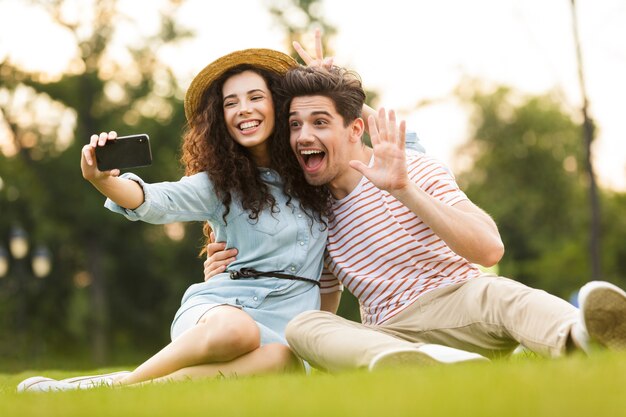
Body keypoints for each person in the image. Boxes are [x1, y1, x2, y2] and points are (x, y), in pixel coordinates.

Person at [206, 64, 626, 372]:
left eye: (319, 122)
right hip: (388, 334)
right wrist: (226, 276)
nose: (303, 136)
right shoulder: (312, 212)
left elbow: (488, 247)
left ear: (355, 130)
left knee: (500, 294)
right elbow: (320, 303)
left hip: (459, 303)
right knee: (305, 325)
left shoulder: (415, 169)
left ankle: (581, 337)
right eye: (295, 125)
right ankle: (439, 364)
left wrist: (403, 189)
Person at [17, 48, 338, 392]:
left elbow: (330, 279)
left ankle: (130, 391)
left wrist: (326, 86)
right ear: (220, 117)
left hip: (284, 327)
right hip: (222, 313)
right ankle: (116, 387)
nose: (243, 109)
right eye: (231, 103)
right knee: (238, 331)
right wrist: (102, 179)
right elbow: (157, 200)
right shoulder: (220, 183)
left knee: (281, 359)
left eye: (255, 97)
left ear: (278, 104)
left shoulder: (317, 176)